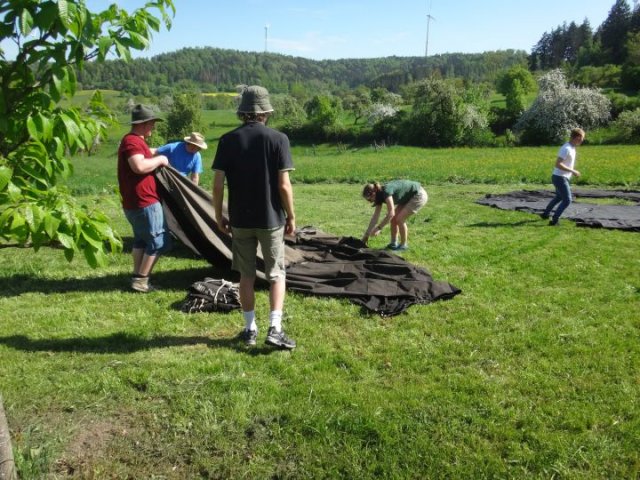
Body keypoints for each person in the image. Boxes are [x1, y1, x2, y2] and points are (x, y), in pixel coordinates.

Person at [212, 85, 297, 350]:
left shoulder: (227, 140)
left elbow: (216, 185)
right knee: (276, 274)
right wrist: (291, 216)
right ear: (266, 112)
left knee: (246, 276)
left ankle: (249, 329)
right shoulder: (278, 139)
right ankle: (275, 328)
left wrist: (219, 216)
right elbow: (284, 185)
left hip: (239, 219)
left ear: (243, 112)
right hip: (271, 218)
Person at [117, 104, 172, 293]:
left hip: (136, 201)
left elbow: (144, 154)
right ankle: (141, 280)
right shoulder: (132, 141)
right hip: (144, 201)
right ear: (144, 123)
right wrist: (161, 160)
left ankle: (137, 277)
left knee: (141, 240)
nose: (153, 127)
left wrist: (163, 150)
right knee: (159, 240)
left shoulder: (134, 141)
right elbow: (138, 166)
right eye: (152, 124)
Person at [361, 180, 428, 251]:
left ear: (373, 193)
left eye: (370, 200)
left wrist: (379, 228)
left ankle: (403, 246)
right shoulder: (379, 196)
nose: (370, 202)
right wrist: (366, 235)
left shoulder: (386, 191)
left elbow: (391, 213)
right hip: (407, 197)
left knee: (400, 219)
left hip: (418, 194)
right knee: (393, 219)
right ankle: (393, 244)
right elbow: (375, 217)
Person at [541, 128, 585, 226]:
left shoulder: (572, 148)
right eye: (582, 138)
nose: (583, 140)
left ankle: (545, 214)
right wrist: (573, 171)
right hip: (560, 177)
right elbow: (558, 164)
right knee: (567, 200)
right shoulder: (566, 148)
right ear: (578, 137)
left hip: (560, 177)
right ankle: (554, 220)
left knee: (559, 197)